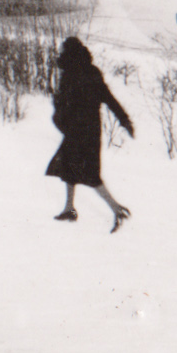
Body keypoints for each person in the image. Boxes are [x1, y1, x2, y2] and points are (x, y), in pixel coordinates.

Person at [44, 37, 135, 231]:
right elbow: (109, 98)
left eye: (63, 50)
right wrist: (124, 120)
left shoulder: (69, 74)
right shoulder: (92, 72)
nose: (60, 53)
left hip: (77, 132)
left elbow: (63, 104)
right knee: (69, 169)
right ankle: (69, 208)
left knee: (90, 175)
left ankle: (116, 209)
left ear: (69, 52)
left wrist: (59, 115)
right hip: (89, 130)